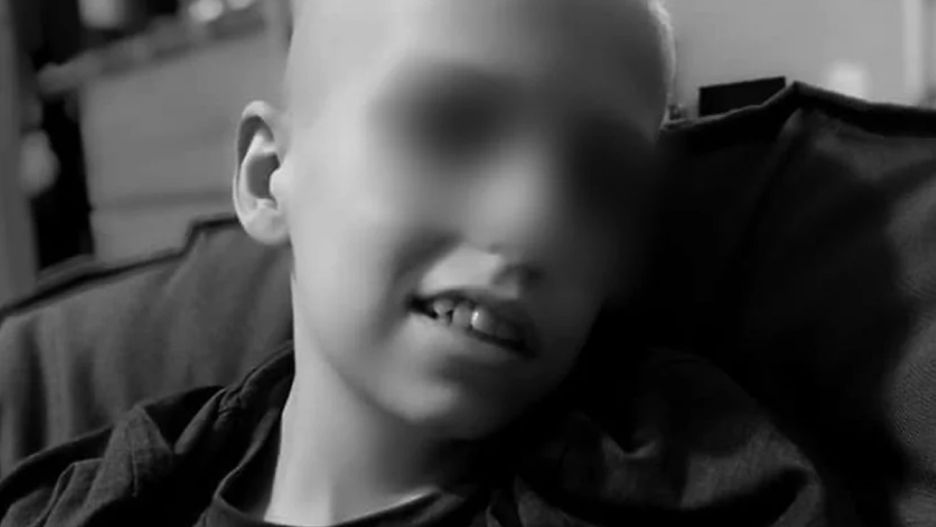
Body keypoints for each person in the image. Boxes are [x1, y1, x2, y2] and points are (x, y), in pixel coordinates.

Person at [0, 0, 858, 525]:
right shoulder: (100, 494)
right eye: (451, 125)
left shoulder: (697, 484)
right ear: (268, 178)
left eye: (600, 179)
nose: (534, 222)